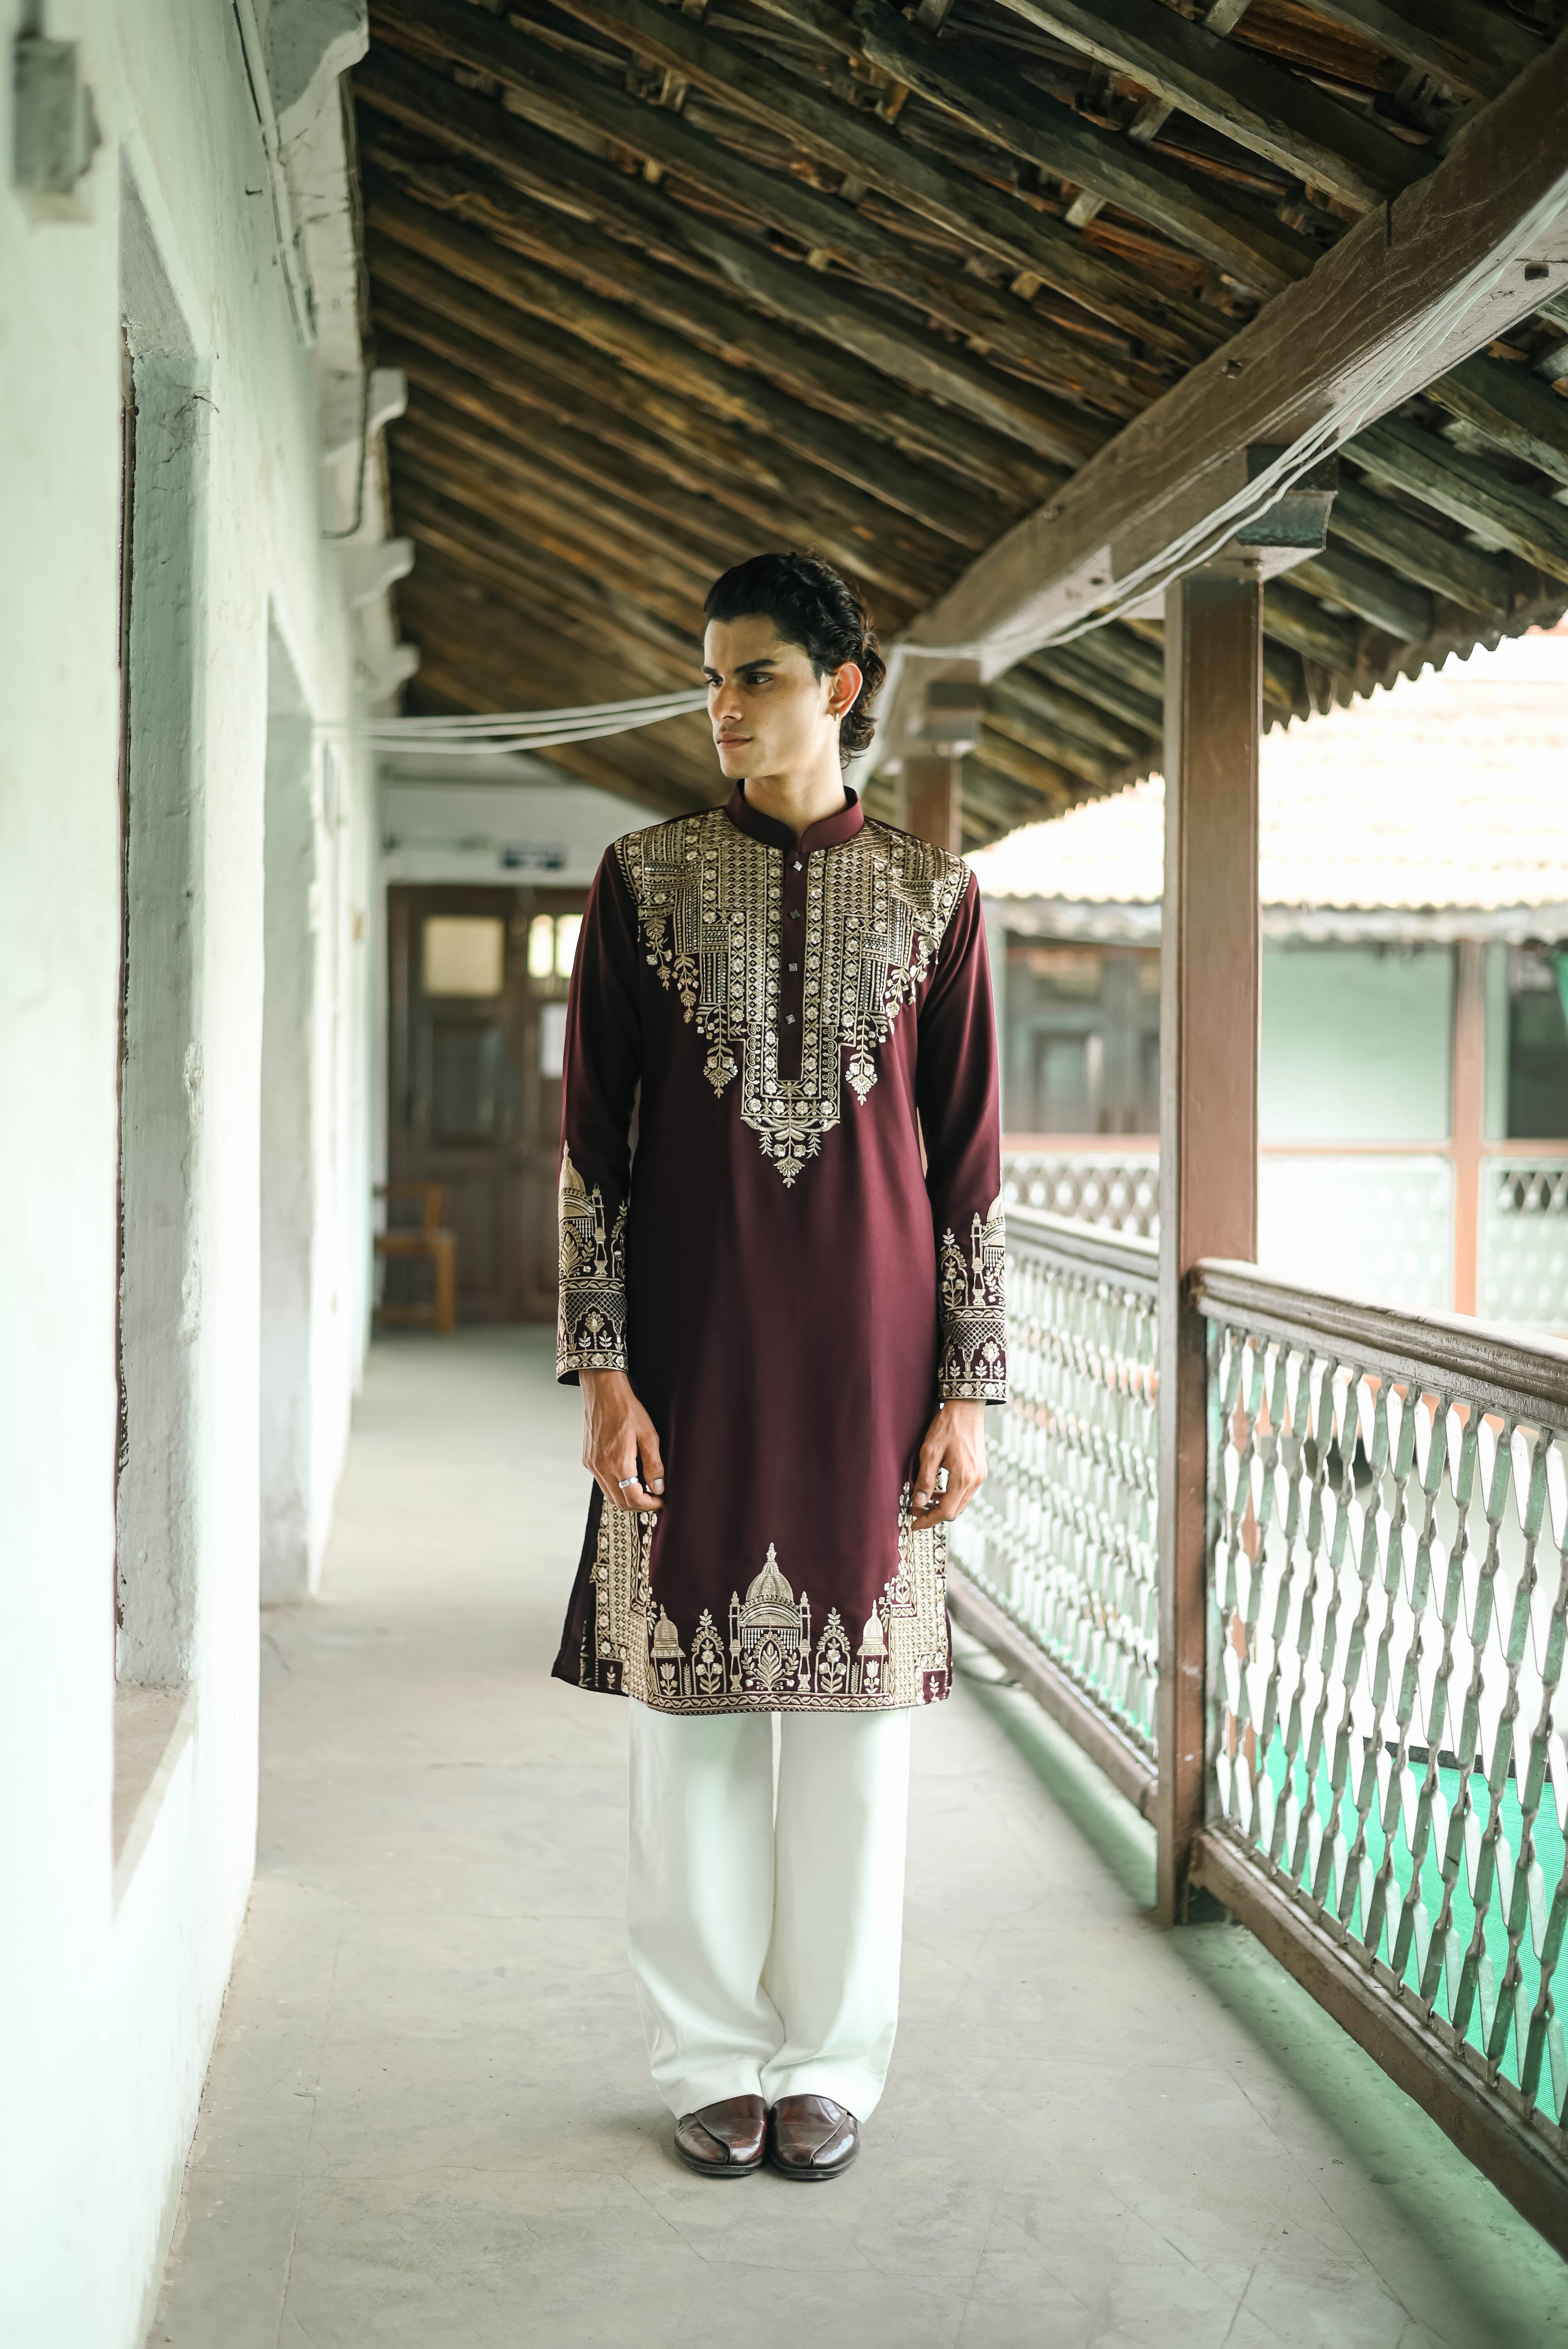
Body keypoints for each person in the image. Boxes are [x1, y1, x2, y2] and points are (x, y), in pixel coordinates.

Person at [552, 551, 1007, 2181]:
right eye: (713, 678)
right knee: (685, 1732)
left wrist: (967, 1391)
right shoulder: (643, 880)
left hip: (874, 1374)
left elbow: (969, 1166)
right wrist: (605, 1371)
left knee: (856, 1739)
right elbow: (592, 1149)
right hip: (690, 1360)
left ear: (839, 686)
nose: (724, 707)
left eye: (754, 675)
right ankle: (706, 2056)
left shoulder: (938, 899)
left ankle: (827, 2063)